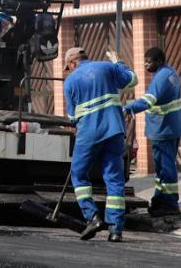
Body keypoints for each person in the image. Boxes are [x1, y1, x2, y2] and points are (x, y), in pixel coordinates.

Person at [62, 46, 138, 242]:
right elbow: (132, 79)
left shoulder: (70, 81)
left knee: (78, 173)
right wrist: (118, 62)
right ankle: (116, 230)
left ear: (72, 63)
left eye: (68, 67)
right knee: (114, 178)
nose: (69, 71)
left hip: (88, 134)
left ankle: (92, 217)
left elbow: (72, 117)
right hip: (114, 129)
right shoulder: (107, 67)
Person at [123, 46, 181, 217]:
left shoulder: (161, 78)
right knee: (162, 168)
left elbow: (148, 101)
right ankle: (160, 199)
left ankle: (170, 204)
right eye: (145, 61)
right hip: (170, 127)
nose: (146, 65)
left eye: (149, 62)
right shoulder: (170, 73)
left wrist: (126, 108)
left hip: (163, 128)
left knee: (165, 167)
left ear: (159, 61)